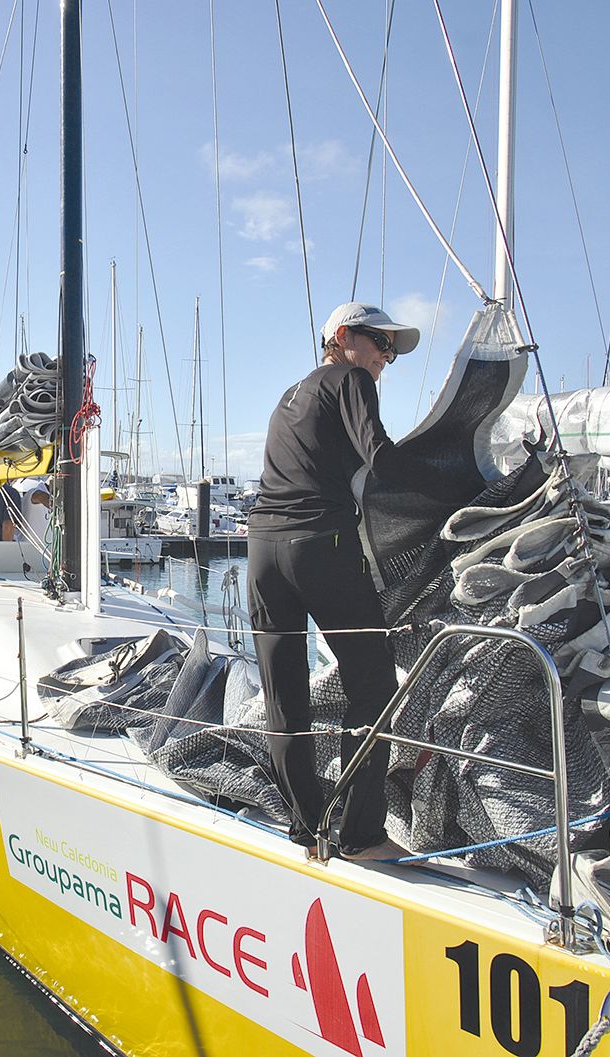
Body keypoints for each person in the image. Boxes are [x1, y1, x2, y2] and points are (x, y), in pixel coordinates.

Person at [246, 302, 455, 860]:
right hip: (320, 546)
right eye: (379, 343)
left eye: (391, 349)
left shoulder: (290, 396)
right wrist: (459, 485)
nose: (386, 357)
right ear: (342, 338)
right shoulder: (351, 379)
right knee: (373, 684)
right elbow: (380, 458)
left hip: (262, 552)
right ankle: (359, 835)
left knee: (284, 698)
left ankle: (306, 826)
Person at [14, 478, 53, 544]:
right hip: (28, 548)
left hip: (47, 550)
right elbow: (38, 496)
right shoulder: (33, 492)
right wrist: (58, 505)